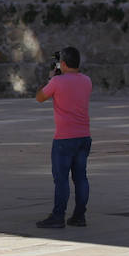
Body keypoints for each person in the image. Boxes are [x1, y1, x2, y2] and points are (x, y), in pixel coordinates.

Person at [34, 46, 92, 228]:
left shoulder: (57, 82)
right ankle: (79, 216)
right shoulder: (87, 81)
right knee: (81, 177)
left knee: (61, 179)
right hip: (84, 136)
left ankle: (58, 216)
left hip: (64, 138)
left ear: (63, 64)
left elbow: (40, 97)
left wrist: (51, 78)